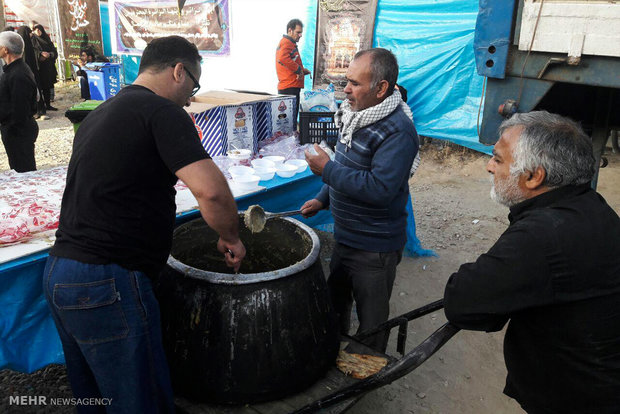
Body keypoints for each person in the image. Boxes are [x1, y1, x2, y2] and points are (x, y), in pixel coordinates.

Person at [43, 35, 246, 412]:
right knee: (140, 400)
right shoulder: (162, 111)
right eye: (193, 85)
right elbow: (212, 192)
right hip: (108, 281)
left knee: (96, 397)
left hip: (61, 273)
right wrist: (230, 236)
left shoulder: (101, 113)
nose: (190, 96)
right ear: (178, 71)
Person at [443, 111, 620, 413]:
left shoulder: (544, 235)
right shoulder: (589, 204)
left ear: (534, 176)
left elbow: (463, 303)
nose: (489, 167)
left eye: (498, 159)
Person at [301, 48, 418, 352]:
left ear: (381, 88)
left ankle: (366, 371)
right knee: (335, 302)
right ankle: (332, 349)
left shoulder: (398, 131)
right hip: (346, 238)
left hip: (374, 247)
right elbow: (347, 165)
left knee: (372, 320)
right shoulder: (354, 116)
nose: (346, 90)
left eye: (354, 83)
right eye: (347, 81)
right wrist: (322, 199)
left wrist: (327, 171)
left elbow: (379, 189)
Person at [0, 31, 39, 172]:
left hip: (19, 132)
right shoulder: (13, 70)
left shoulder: (18, 74)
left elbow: (20, 108)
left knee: (24, 171)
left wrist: (11, 128)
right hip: (15, 130)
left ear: (5, 49)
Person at [275, 18, 311, 129]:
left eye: (301, 33)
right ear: (290, 30)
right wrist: (298, 70)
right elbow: (283, 58)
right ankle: (291, 140)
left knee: (290, 118)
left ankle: (292, 138)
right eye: (298, 32)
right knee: (290, 119)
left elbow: (290, 61)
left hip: (291, 85)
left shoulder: (289, 43)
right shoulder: (287, 42)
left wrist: (302, 70)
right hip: (289, 87)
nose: (300, 35)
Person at [15, 26, 46, 119]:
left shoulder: (28, 44)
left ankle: (38, 110)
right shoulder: (22, 46)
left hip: (30, 73)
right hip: (27, 73)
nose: (31, 34)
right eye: (29, 32)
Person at [31, 24, 58, 111]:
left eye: (39, 29)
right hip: (39, 68)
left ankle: (48, 104)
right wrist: (40, 55)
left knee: (47, 86)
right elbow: (32, 51)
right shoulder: (33, 39)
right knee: (39, 87)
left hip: (48, 67)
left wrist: (49, 55)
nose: (38, 31)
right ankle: (40, 107)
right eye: (36, 30)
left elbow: (54, 51)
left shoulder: (47, 39)